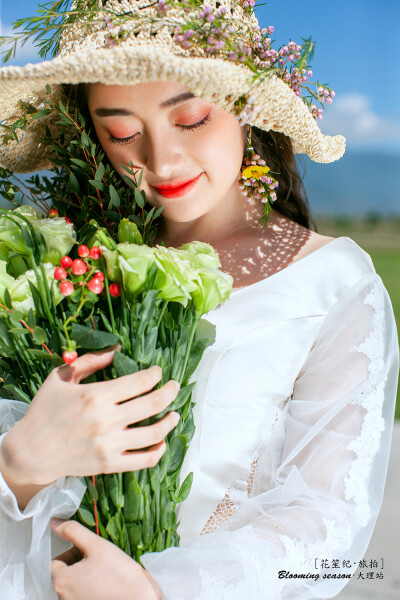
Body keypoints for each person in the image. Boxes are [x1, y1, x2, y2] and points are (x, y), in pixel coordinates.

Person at [0, 1, 398, 599]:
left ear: (248, 109)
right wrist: (19, 466)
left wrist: (158, 591)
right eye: (122, 133)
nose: (159, 161)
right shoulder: (58, 271)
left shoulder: (333, 282)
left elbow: (329, 537)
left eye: (190, 118)